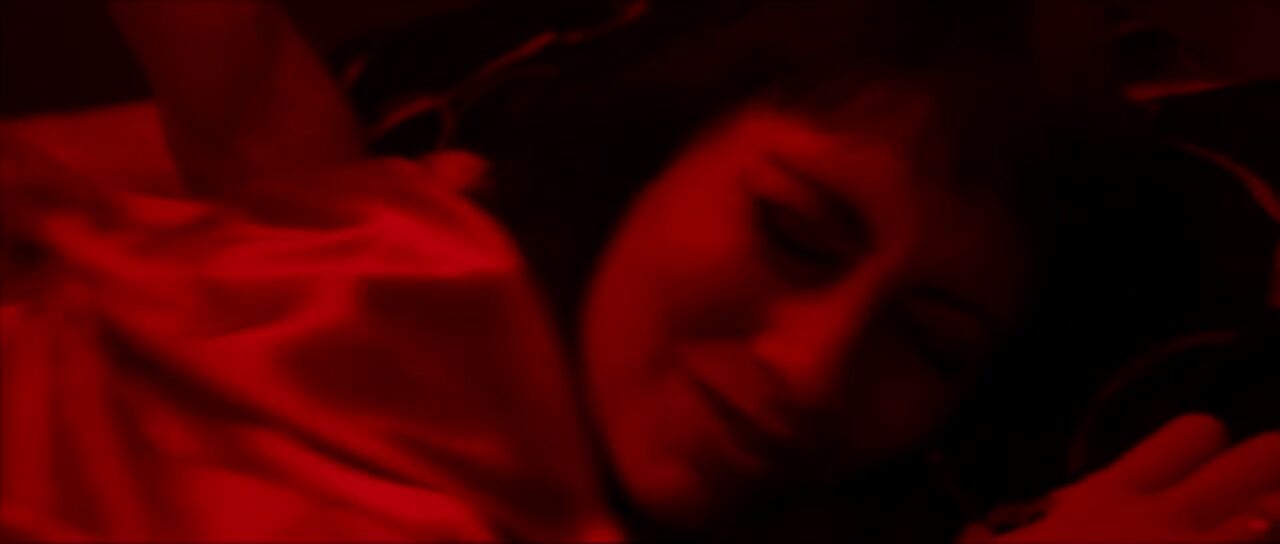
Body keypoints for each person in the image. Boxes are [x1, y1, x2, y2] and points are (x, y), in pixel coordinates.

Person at [1, 1, 1276, 542]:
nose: (809, 368)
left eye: (929, 343)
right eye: (793, 233)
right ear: (652, 160)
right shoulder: (392, 270)